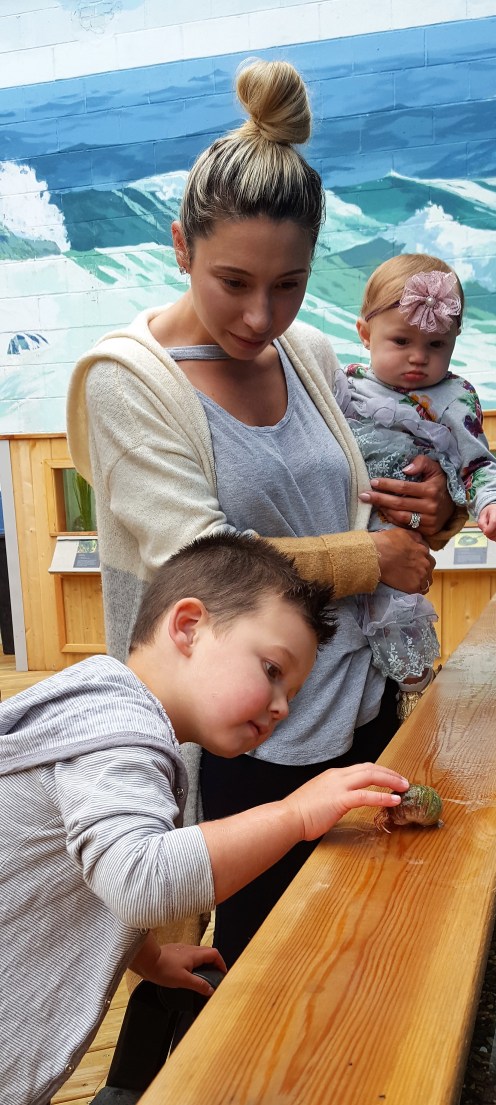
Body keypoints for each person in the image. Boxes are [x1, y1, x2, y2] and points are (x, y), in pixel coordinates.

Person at [66, 59, 465, 968]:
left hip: (361, 697)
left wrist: (433, 510)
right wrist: (373, 557)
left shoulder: (311, 351)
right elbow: (207, 559)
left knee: (363, 944)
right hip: (245, 727)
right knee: (259, 970)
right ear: (180, 247)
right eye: (234, 280)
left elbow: (373, 493)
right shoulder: (128, 382)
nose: (260, 315)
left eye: (288, 283)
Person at [0, 532, 411, 1105]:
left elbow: (83, 869)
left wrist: (145, 956)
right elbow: (140, 878)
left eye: (292, 693)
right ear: (188, 626)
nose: (281, 706)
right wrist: (294, 814)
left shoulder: (101, 711)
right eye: (272, 669)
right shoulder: (116, 733)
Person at [335, 253, 496, 718]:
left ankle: (415, 692)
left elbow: (478, 464)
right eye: (401, 341)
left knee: (397, 615)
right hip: (344, 528)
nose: (419, 357)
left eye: (436, 344)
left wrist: (493, 503)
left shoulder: (455, 399)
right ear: (365, 334)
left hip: (400, 535)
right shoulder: (344, 384)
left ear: (455, 340)